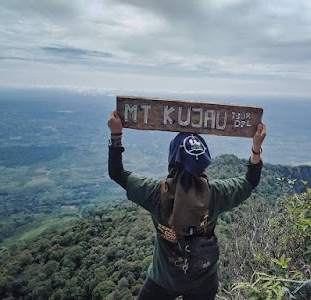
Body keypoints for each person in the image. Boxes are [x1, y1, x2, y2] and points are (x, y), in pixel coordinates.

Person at [108, 109, 266, 300]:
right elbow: (251, 181)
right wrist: (256, 148)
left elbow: (117, 172)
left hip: (164, 279)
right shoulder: (216, 194)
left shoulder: (154, 193)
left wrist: (116, 135)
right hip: (204, 279)